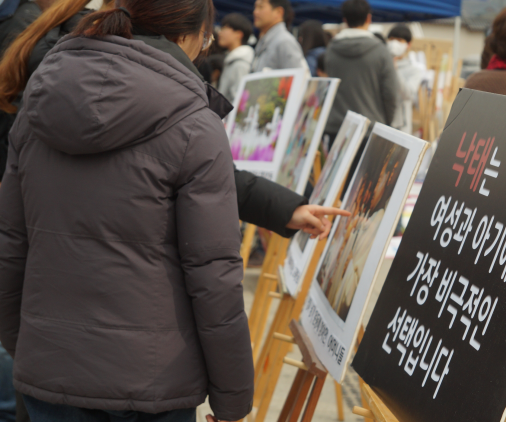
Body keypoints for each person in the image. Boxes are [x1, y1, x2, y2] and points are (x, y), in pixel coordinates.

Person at [0, 1, 347, 422]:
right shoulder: (194, 124)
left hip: (50, 374)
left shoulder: (37, 105)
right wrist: (233, 400)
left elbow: (10, 248)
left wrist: (28, 351)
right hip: (151, 386)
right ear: (192, 34)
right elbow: (214, 278)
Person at [323, 0, 398, 154]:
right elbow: (390, 93)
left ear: (345, 20)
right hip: (369, 130)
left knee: (338, 177)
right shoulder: (380, 51)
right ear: (368, 18)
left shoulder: (331, 49)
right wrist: (386, 123)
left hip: (337, 129)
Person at [387, 24, 424, 134]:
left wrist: (395, 70)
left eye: (399, 40)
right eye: (392, 39)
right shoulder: (381, 65)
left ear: (408, 44)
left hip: (401, 127)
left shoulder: (414, 70)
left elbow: (408, 94)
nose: (394, 43)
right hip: (381, 122)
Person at [251, 0, 305, 72]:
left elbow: (296, 79)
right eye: (255, 7)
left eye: (261, 7)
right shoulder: (265, 40)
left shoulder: (284, 42)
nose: (255, 12)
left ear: (278, 12)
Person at [217, 13, 254, 103]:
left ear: (238, 34)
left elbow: (238, 101)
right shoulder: (233, 60)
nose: (220, 32)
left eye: (224, 28)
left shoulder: (240, 64)